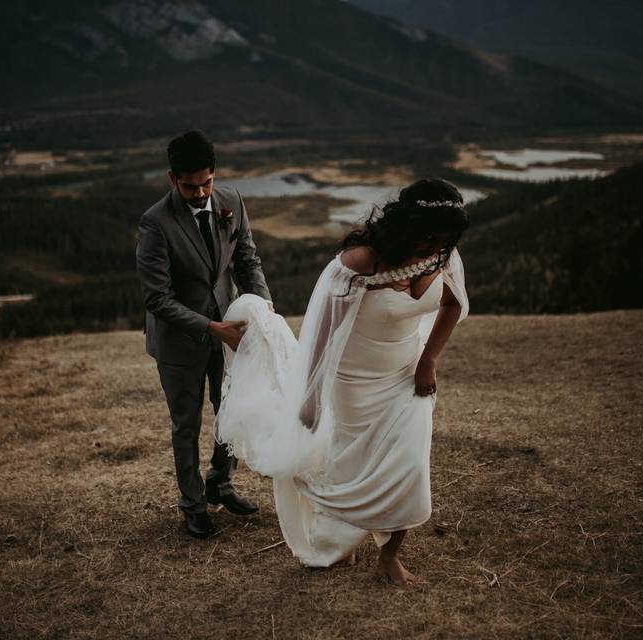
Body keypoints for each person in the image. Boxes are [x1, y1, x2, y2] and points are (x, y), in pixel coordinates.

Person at [216, 177, 470, 584]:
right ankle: (337, 540)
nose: (435, 246)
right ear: (407, 224)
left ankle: (390, 557)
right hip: (353, 380)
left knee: (409, 464)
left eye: (443, 238)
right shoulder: (360, 261)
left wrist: (429, 360)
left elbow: (454, 303)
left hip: (407, 375)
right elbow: (323, 332)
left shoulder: (441, 253)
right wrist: (312, 396)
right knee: (351, 466)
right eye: (428, 236)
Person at [136, 130, 272, 539]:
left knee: (232, 412)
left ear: (215, 174)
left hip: (230, 330)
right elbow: (156, 298)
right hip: (181, 342)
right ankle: (192, 505)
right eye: (190, 186)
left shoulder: (232, 202)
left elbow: (247, 259)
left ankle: (220, 481)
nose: (200, 193)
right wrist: (212, 328)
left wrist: (263, 306)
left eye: (206, 183)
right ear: (171, 179)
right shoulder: (155, 223)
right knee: (187, 425)